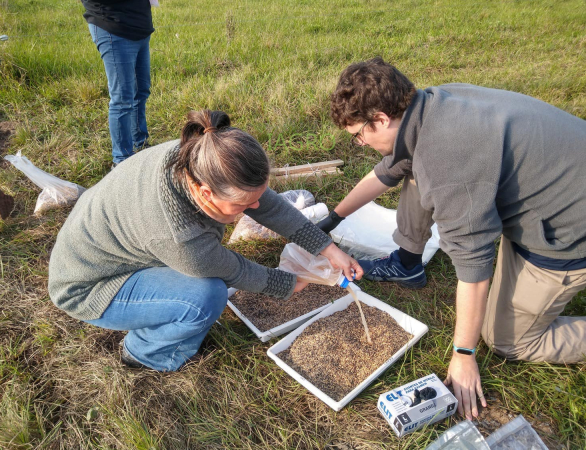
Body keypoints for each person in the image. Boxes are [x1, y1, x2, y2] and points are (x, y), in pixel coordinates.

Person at [318, 57, 586, 420]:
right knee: (414, 168)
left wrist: (463, 353)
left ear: (381, 118)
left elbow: (474, 261)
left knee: (508, 339)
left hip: (568, 231)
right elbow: (390, 169)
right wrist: (333, 219)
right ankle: (407, 264)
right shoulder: (429, 105)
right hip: (559, 186)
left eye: (359, 135)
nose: (360, 143)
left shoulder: (447, 163)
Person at [48, 110, 363, 372]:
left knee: (207, 275)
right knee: (206, 295)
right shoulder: (179, 236)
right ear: (206, 193)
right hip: (91, 287)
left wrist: (328, 249)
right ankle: (146, 352)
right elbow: (231, 269)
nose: (255, 208)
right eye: (242, 205)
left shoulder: (202, 155)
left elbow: (268, 204)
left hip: (125, 246)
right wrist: (286, 283)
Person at [81, 0, 155, 166]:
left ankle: (141, 144)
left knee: (141, 91)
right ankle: (122, 162)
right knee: (122, 100)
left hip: (140, 26)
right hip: (113, 27)